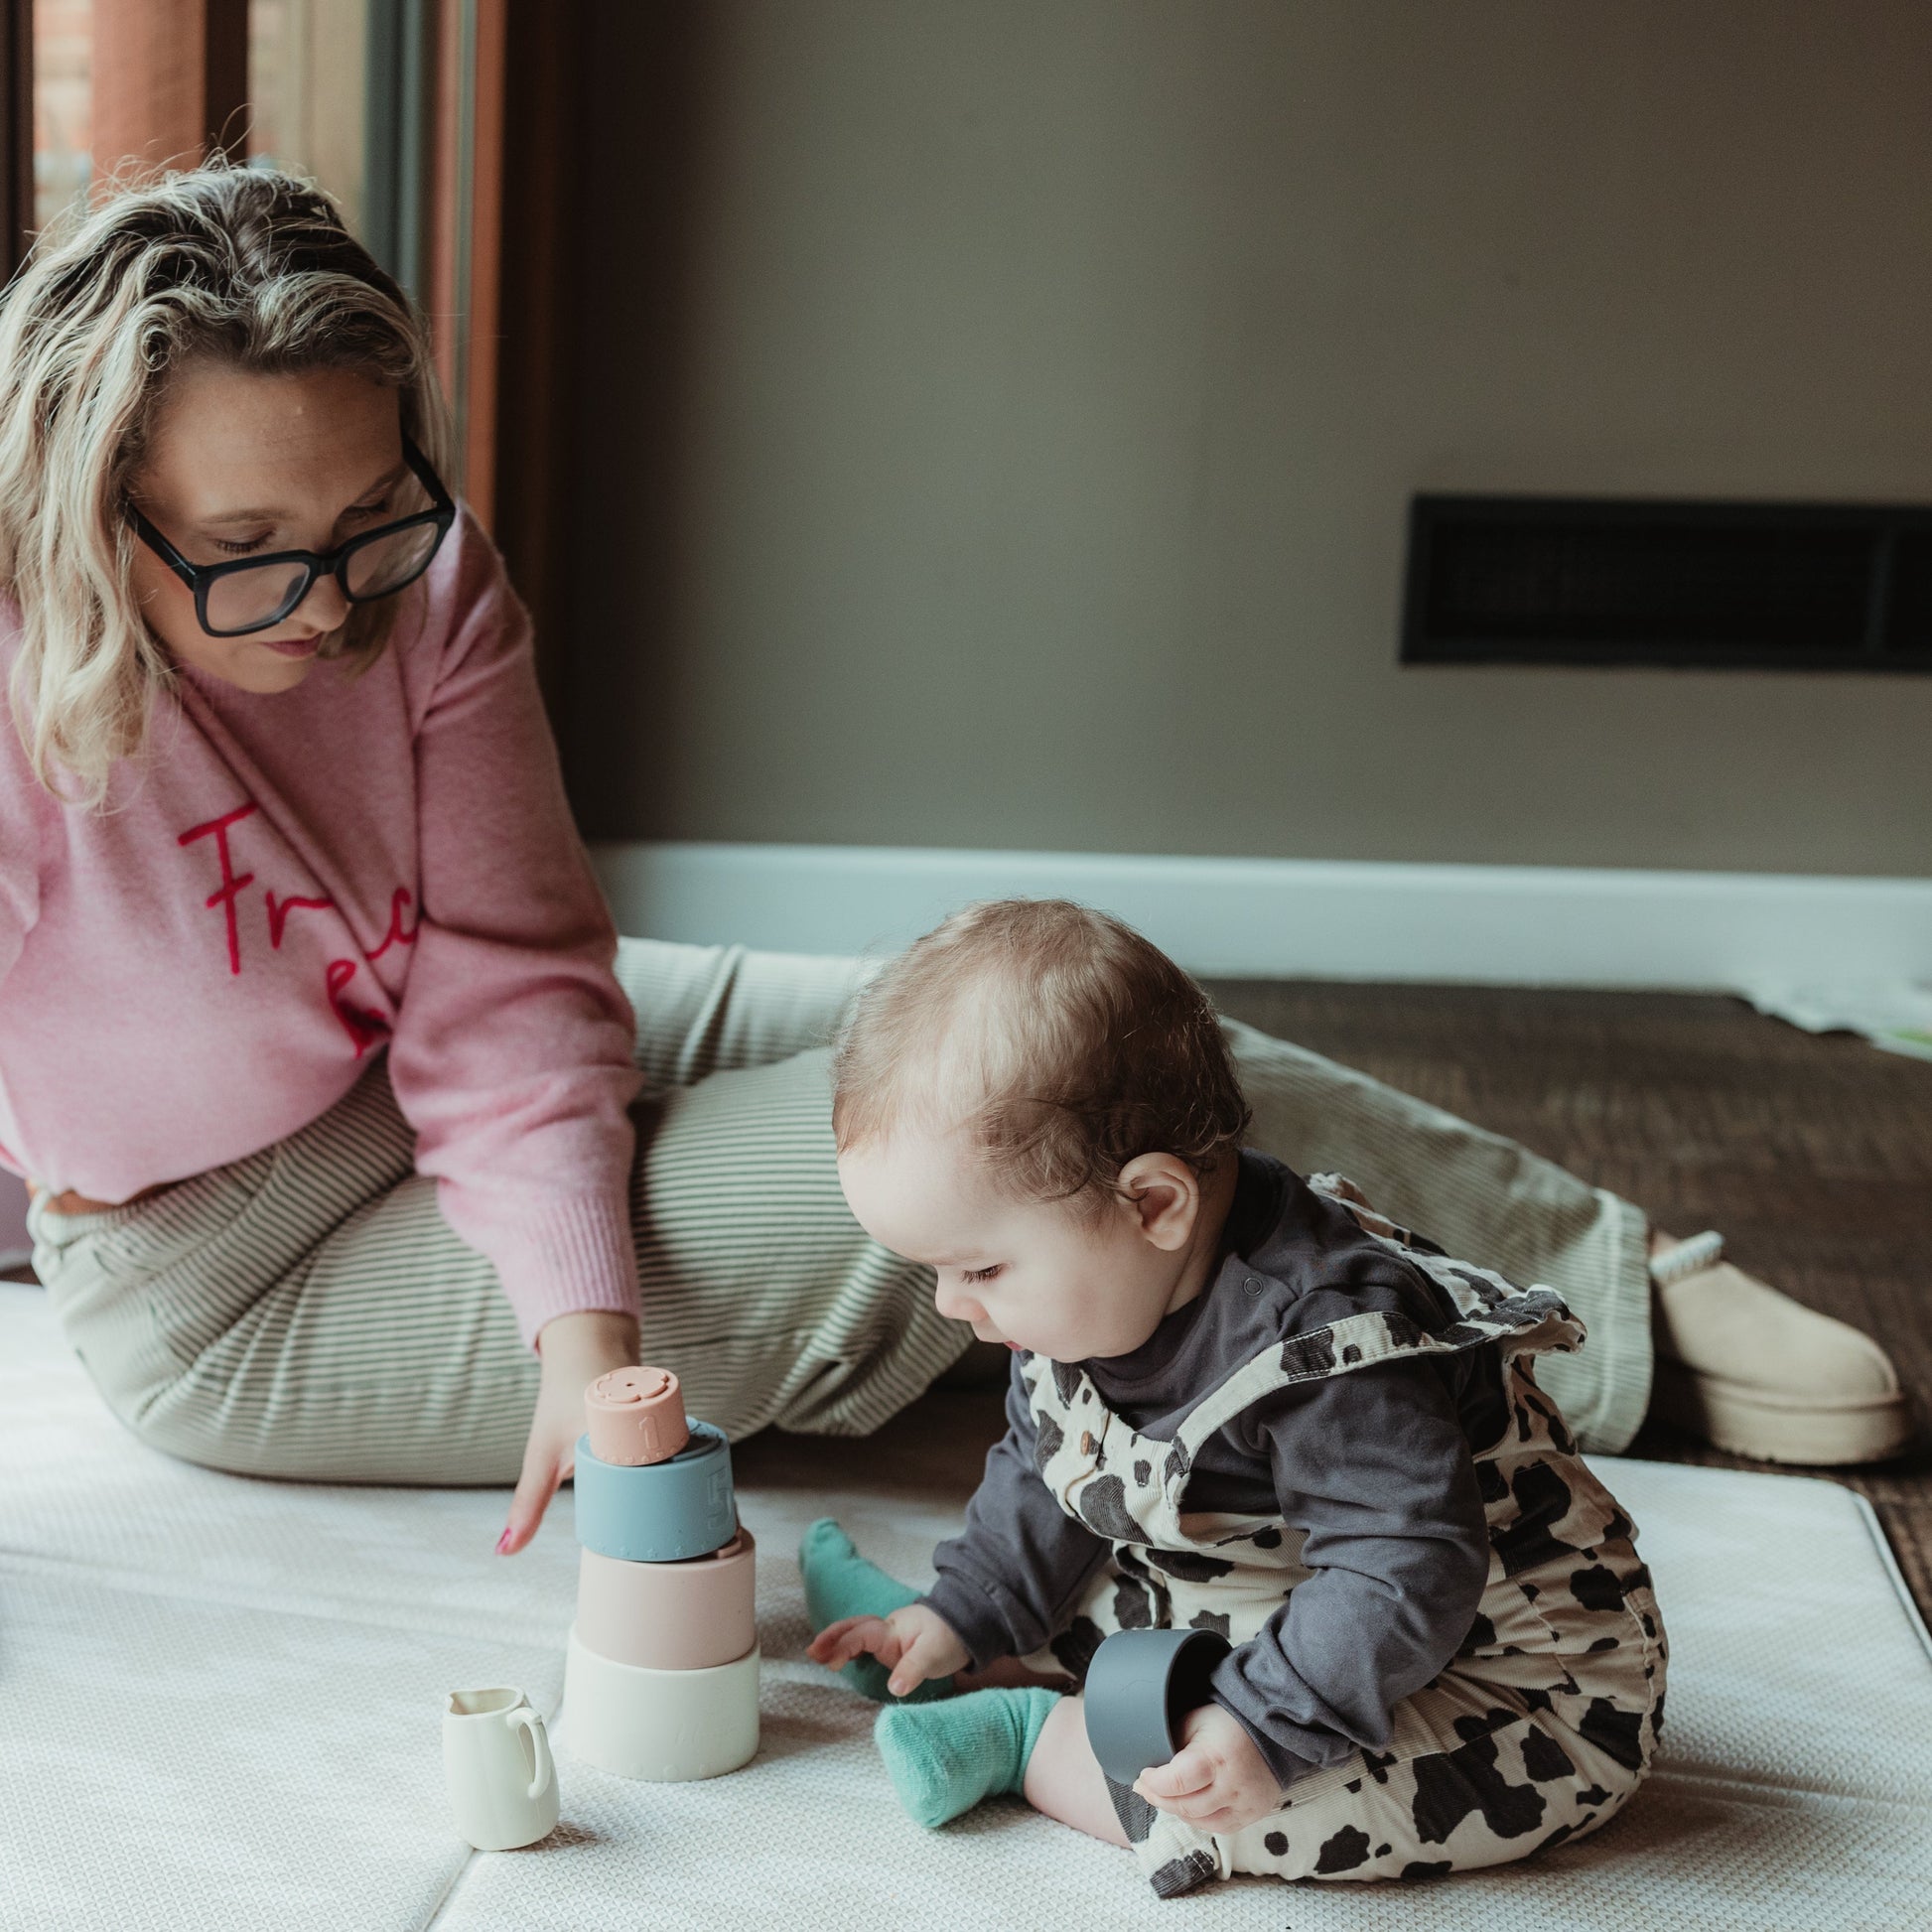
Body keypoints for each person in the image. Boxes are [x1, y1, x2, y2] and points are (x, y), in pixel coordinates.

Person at [0, 165, 1907, 1567]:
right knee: (963, 1201)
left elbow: (503, 983)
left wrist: (582, 1313)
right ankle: (1487, 1368)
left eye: (367, 519)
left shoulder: (422, 577)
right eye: (250, 549)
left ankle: (1606, 1285)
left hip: (438, 1029)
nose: (332, 603)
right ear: (93, 510)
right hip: (225, 1252)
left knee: (1050, 1031)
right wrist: (593, 1354)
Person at [804, 899, 1666, 1894]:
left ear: (1154, 1204)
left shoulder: (1326, 1347)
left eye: (981, 1267)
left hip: (1499, 1674)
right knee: (1084, 1573)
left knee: (1252, 1800)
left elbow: (1400, 1568)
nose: (953, 1304)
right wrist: (969, 1600)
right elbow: (1049, 1464)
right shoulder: (1101, 1283)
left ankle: (1028, 1734)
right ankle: (941, 1645)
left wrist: (1262, 1724)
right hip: (1301, 1588)